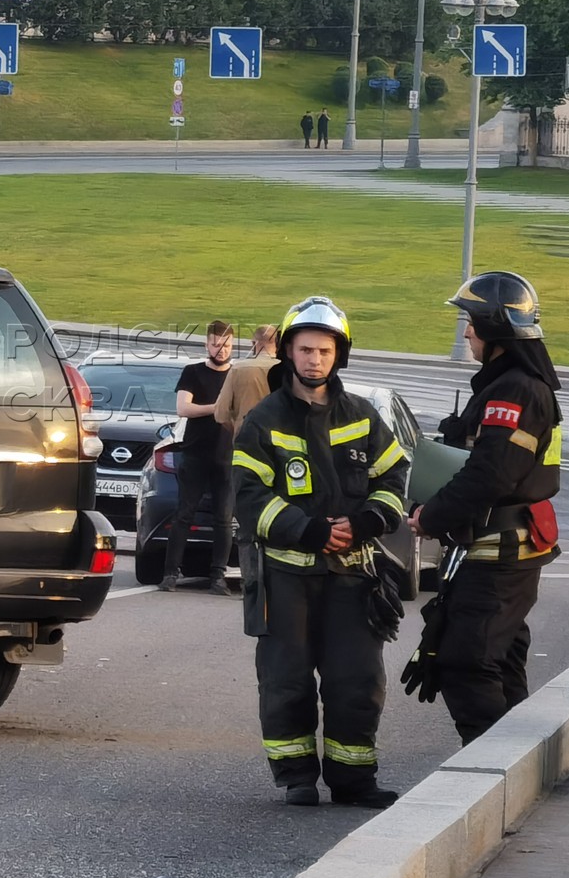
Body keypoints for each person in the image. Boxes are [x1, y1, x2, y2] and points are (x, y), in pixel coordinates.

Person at [232, 297, 409, 809]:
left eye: (324, 350)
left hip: (353, 575)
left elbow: (394, 478)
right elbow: (248, 497)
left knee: (357, 680)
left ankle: (354, 779)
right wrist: (308, 532)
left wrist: (365, 522)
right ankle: (296, 777)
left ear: (339, 355)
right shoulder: (264, 420)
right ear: (288, 352)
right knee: (286, 680)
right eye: (305, 349)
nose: (314, 359)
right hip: (286, 578)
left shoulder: (361, 416)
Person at [409, 272, 562, 745]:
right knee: (501, 661)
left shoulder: (516, 391)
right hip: (497, 549)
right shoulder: (511, 385)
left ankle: (489, 777)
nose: (466, 332)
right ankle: (520, 768)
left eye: (471, 321)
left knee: (466, 662)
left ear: (495, 327)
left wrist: (431, 516)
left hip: (500, 552)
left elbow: (491, 475)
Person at [159, 320, 236, 595]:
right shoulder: (192, 372)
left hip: (227, 457)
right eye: (216, 344)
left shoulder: (236, 376)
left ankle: (218, 577)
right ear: (207, 344)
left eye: (226, 345)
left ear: (232, 345)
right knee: (183, 514)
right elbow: (183, 407)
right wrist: (216, 408)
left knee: (224, 519)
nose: (221, 349)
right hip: (194, 454)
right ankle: (170, 574)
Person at [214, 324, 280, 588]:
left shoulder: (239, 369)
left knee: (246, 518)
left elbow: (220, 414)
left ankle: (249, 578)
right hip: (281, 454)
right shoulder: (286, 371)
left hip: (245, 453)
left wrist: (238, 431)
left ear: (255, 343)